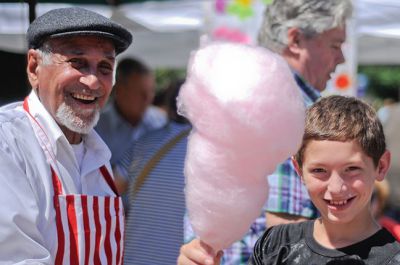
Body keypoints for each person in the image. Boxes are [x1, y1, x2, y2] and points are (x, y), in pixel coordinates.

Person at [178, 0, 352, 263]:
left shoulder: (238, 95)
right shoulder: (292, 112)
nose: (341, 59)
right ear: (295, 39)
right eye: (335, 45)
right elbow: (288, 235)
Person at [0, 7, 132, 264]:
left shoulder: (98, 156)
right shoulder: (8, 143)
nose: (93, 82)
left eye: (105, 67)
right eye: (78, 63)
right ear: (34, 67)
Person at [250, 95, 400, 264]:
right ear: (299, 170)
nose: (336, 188)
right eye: (319, 170)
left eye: (352, 169)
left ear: (381, 166)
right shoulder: (275, 245)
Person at [114, 79, 191, 265]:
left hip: (134, 258)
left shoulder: (143, 144)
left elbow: (108, 190)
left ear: (170, 108)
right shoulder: (212, 154)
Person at [96, 57, 167, 167]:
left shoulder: (161, 122)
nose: (148, 99)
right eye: (141, 93)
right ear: (119, 91)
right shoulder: (96, 129)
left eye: (151, 91)